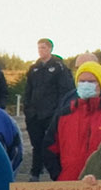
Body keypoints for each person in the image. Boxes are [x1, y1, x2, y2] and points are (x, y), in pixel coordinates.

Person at [47, 61, 101, 182]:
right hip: (68, 183)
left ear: (100, 84)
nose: (86, 84)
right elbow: (50, 147)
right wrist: (58, 175)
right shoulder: (63, 114)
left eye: (91, 81)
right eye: (82, 81)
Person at [23, 39, 75, 180]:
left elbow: (65, 91)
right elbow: (28, 90)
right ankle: (35, 173)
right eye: (39, 47)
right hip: (35, 114)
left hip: (52, 114)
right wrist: (27, 109)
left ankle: (56, 174)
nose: (41, 50)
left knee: (52, 144)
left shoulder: (59, 68)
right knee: (37, 145)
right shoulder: (34, 68)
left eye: (44, 47)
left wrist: (58, 112)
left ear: (50, 49)